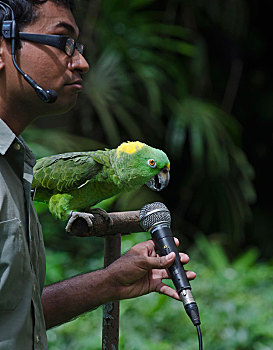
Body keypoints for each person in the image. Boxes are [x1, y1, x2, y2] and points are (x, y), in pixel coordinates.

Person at [0, 0, 196, 349]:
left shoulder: (16, 167)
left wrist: (111, 281)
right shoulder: (74, 167)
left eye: (80, 48)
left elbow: (16, 318)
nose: (82, 63)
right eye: (63, 42)